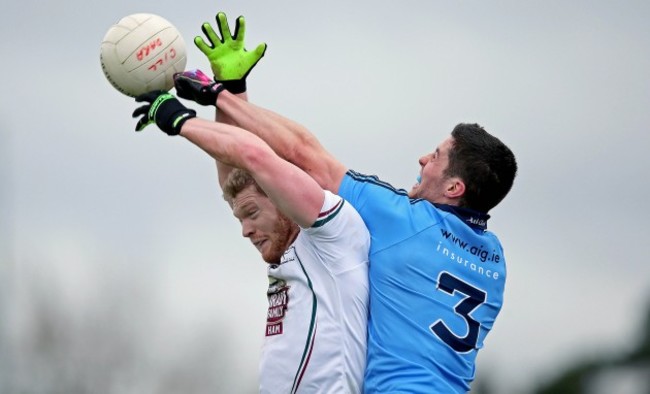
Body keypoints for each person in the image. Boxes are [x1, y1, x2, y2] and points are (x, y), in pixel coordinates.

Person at [177, 11, 518, 393]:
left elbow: (301, 152)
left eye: (436, 156)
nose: (423, 159)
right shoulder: (495, 261)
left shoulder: (404, 220)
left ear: (454, 188)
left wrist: (221, 94)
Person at [130, 88, 370, 393]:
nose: (245, 230)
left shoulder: (332, 233)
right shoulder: (290, 253)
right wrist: (232, 89)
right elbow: (235, 175)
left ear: (280, 196)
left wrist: (183, 121)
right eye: (240, 219)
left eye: (252, 214)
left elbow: (255, 158)